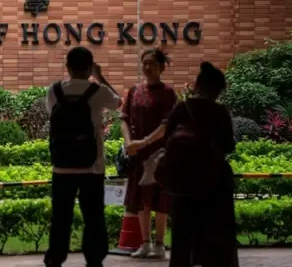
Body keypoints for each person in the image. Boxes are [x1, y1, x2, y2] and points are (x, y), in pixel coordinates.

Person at [44, 47, 122, 267]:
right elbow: (119, 103)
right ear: (89, 67)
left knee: (60, 217)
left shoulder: (54, 90)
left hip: (61, 166)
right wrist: (100, 76)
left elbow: (53, 114)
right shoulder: (97, 90)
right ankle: (94, 259)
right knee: (94, 217)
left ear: (67, 67)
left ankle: (55, 258)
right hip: (92, 167)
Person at [164, 62, 239, 267]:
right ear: (218, 89)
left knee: (181, 239)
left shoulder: (182, 108)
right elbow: (228, 145)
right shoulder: (219, 112)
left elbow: (167, 140)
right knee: (214, 239)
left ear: (196, 85)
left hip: (182, 183)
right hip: (213, 184)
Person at [122, 48, 177, 259]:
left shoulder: (168, 92)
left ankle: (160, 245)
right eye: (144, 63)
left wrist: (144, 142)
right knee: (141, 200)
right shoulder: (134, 90)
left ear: (162, 67)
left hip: (159, 155)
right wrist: (129, 143)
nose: (147, 68)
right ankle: (145, 244)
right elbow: (124, 118)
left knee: (159, 199)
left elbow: (167, 123)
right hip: (137, 155)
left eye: (152, 64)